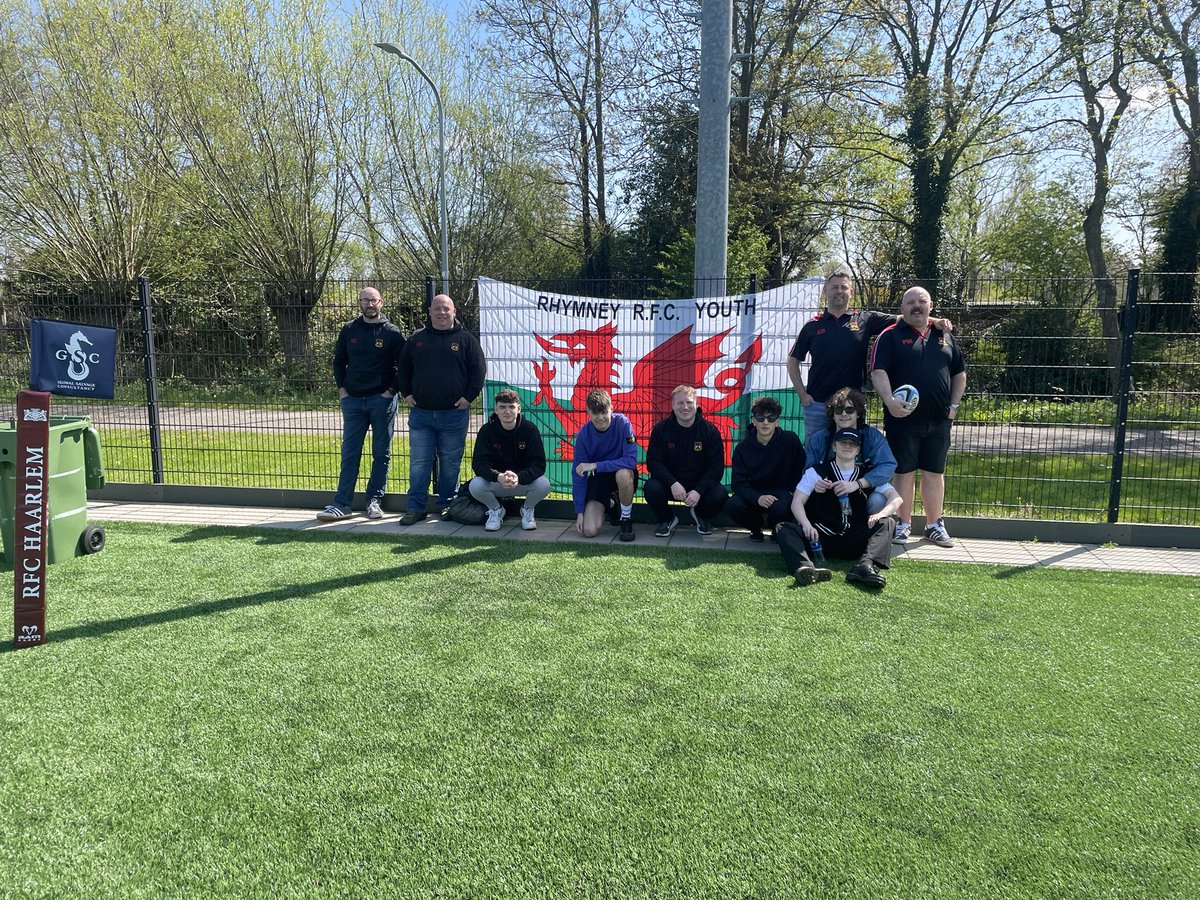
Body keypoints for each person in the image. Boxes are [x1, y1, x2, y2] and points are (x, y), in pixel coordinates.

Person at [788, 267, 951, 454]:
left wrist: (935, 321)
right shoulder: (812, 325)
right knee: (815, 454)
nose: (839, 291)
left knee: (849, 454)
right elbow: (793, 361)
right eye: (834, 287)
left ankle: (848, 485)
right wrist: (802, 394)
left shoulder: (866, 319)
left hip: (852, 406)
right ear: (826, 291)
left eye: (844, 287)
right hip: (817, 403)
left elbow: (905, 317)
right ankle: (813, 484)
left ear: (851, 292)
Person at [869, 285, 967, 547]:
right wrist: (889, 400)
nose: (916, 305)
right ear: (901, 309)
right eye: (910, 302)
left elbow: (959, 373)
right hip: (902, 419)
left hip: (939, 419)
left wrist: (954, 406)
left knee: (935, 472)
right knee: (904, 472)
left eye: (921, 301)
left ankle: (935, 525)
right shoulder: (888, 336)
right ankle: (903, 524)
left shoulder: (945, 336)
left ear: (930, 305)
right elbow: (878, 372)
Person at [397, 293, 486, 526]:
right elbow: (402, 368)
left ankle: (448, 505)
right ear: (429, 312)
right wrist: (406, 393)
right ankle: (415, 508)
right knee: (419, 462)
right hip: (421, 415)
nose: (442, 312)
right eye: (437, 308)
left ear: (454, 312)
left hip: (454, 415)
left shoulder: (466, 340)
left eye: (446, 308)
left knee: (450, 462)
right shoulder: (416, 339)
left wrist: (469, 397)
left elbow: (478, 370)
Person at [317, 286, 405, 522]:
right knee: (350, 453)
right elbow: (338, 362)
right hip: (353, 401)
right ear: (359, 303)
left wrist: (390, 392)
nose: (369, 304)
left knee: (381, 453)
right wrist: (342, 390)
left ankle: (374, 501)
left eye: (373, 300)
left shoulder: (392, 333)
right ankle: (342, 503)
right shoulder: (349, 330)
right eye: (365, 300)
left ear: (381, 303)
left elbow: (405, 368)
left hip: (382, 401)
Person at [776, 428, 903, 588]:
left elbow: (896, 499)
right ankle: (805, 567)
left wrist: (880, 514)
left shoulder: (867, 474)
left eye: (853, 444)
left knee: (887, 522)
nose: (847, 446)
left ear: (858, 450)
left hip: (855, 537)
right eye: (843, 443)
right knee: (784, 528)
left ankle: (865, 566)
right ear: (834, 447)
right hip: (822, 536)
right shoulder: (817, 471)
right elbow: (797, 501)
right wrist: (806, 524)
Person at [644, 385, 727, 537]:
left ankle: (701, 515)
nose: (685, 407)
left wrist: (699, 490)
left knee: (720, 494)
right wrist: (672, 483)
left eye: (689, 402)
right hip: (673, 485)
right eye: (680, 403)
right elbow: (653, 463)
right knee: (651, 487)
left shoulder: (710, 431)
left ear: (696, 404)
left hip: (698, 486)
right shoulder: (661, 429)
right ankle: (667, 519)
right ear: (673, 405)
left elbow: (716, 468)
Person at [805, 386, 897, 516]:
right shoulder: (819, 439)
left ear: (858, 413)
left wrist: (858, 484)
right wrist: (817, 483)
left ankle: (870, 527)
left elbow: (888, 466)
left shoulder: (872, 436)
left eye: (849, 410)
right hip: (828, 494)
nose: (844, 414)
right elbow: (809, 468)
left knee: (878, 500)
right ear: (832, 415)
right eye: (838, 410)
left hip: (863, 493)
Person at [726, 396, 807, 541]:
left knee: (784, 506)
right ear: (754, 420)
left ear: (777, 421)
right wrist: (757, 498)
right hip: (755, 493)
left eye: (771, 418)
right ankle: (755, 528)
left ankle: (778, 529)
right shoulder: (742, 448)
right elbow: (738, 484)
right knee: (732, 505)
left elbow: (800, 469)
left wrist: (789, 492)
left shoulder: (790, 440)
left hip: (782, 492)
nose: (765, 422)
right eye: (760, 417)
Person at [468, 389, 550, 531]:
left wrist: (518, 477)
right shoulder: (487, 430)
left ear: (518, 408)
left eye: (511, 407)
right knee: (475, 485)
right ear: (496, 409)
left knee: (543, 484)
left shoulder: (530, 429)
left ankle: (527, 510)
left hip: (521, 482)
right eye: (502, 407)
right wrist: (498, 476)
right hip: (497, 483)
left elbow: (538, 465)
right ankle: (496, 510)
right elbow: (479, 464)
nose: (507, 411)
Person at [572, 388, 639, 541]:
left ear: (611, 409)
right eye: (595, 413)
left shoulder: (623, 423)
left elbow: (630, 461)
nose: (601, 417)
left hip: (623, 475)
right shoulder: (583, 435)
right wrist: (579, 512)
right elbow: (578, 475)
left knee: (623, 474)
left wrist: (596, 465)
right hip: (600, 480)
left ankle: (625, 519)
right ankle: (612, 503)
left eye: (604, 412)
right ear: (588, 412)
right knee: (589, 531)